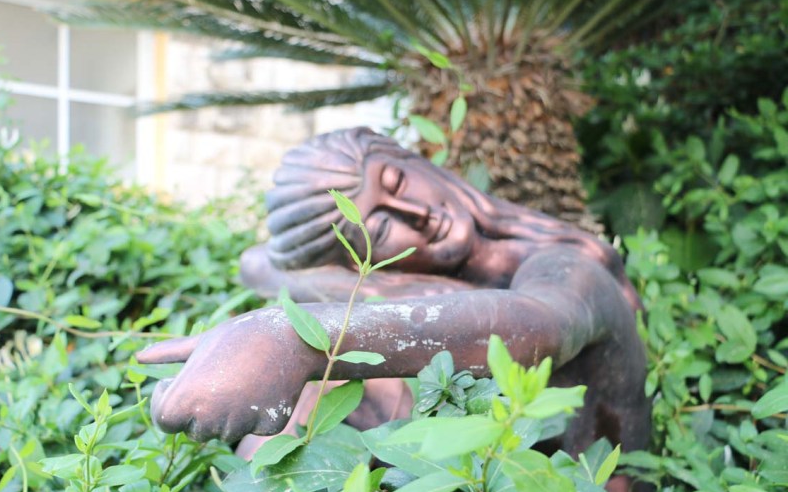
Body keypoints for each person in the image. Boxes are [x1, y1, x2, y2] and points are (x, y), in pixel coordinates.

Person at [138, 127, 649, 463]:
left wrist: (292, 341)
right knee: (312, 412)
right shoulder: (413, 286)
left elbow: (537, 325)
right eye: (379, 230)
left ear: (414, 161)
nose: (417, 213)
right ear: (358, 262)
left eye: (397, 180)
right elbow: (263, 262)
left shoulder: (569, 267)